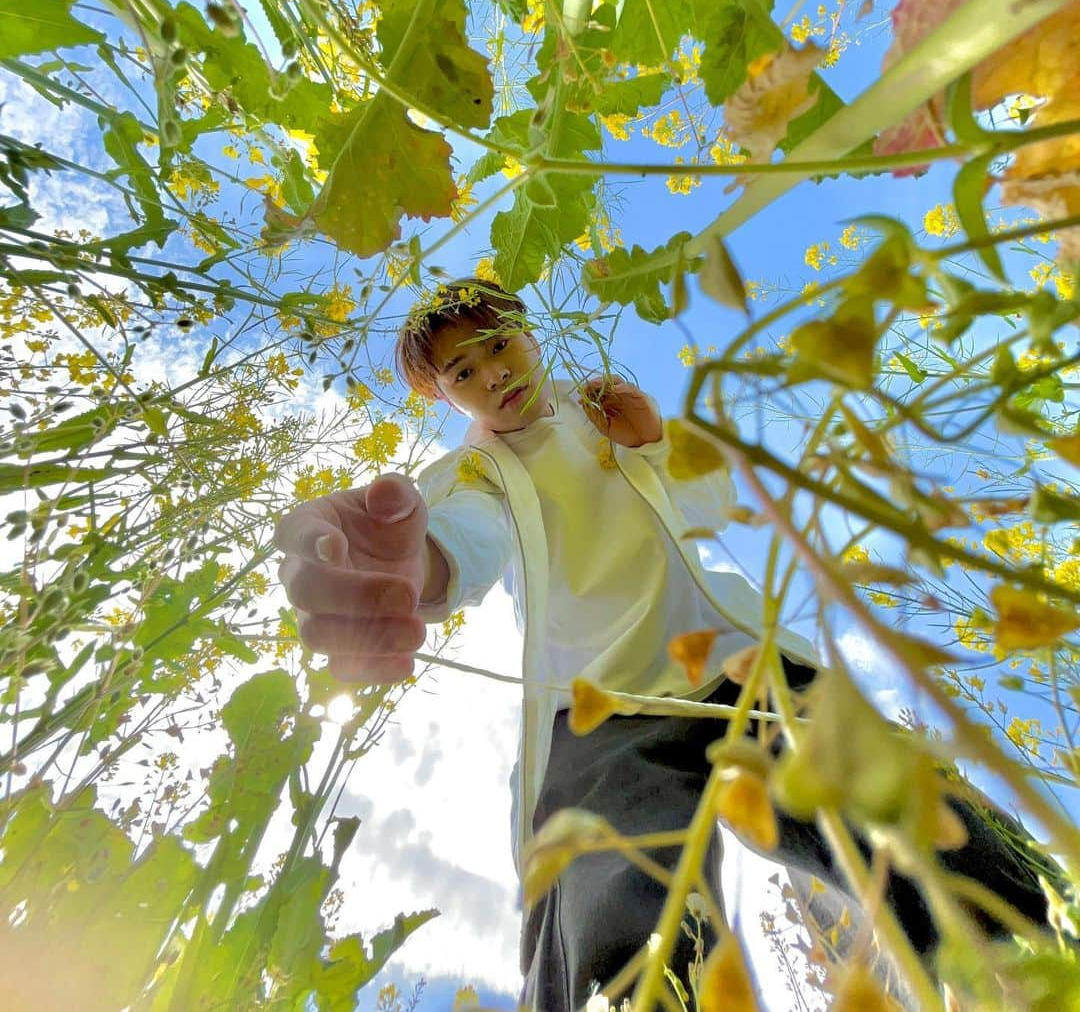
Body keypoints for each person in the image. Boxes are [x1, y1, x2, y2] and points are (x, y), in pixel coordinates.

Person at [275, 278, 1059, 1011]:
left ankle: (1031, 966)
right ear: (443, 396)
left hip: (738, 661)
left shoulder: (607, 411)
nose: (492, 374)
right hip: (598, 709)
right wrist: (411, 566)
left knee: (923, 828)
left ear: (531, 331)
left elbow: (709, 499)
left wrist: (651, 442)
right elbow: (457, 542)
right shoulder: (475, 471)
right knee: (614, 908)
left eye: (500, 343)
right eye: (462, 371)